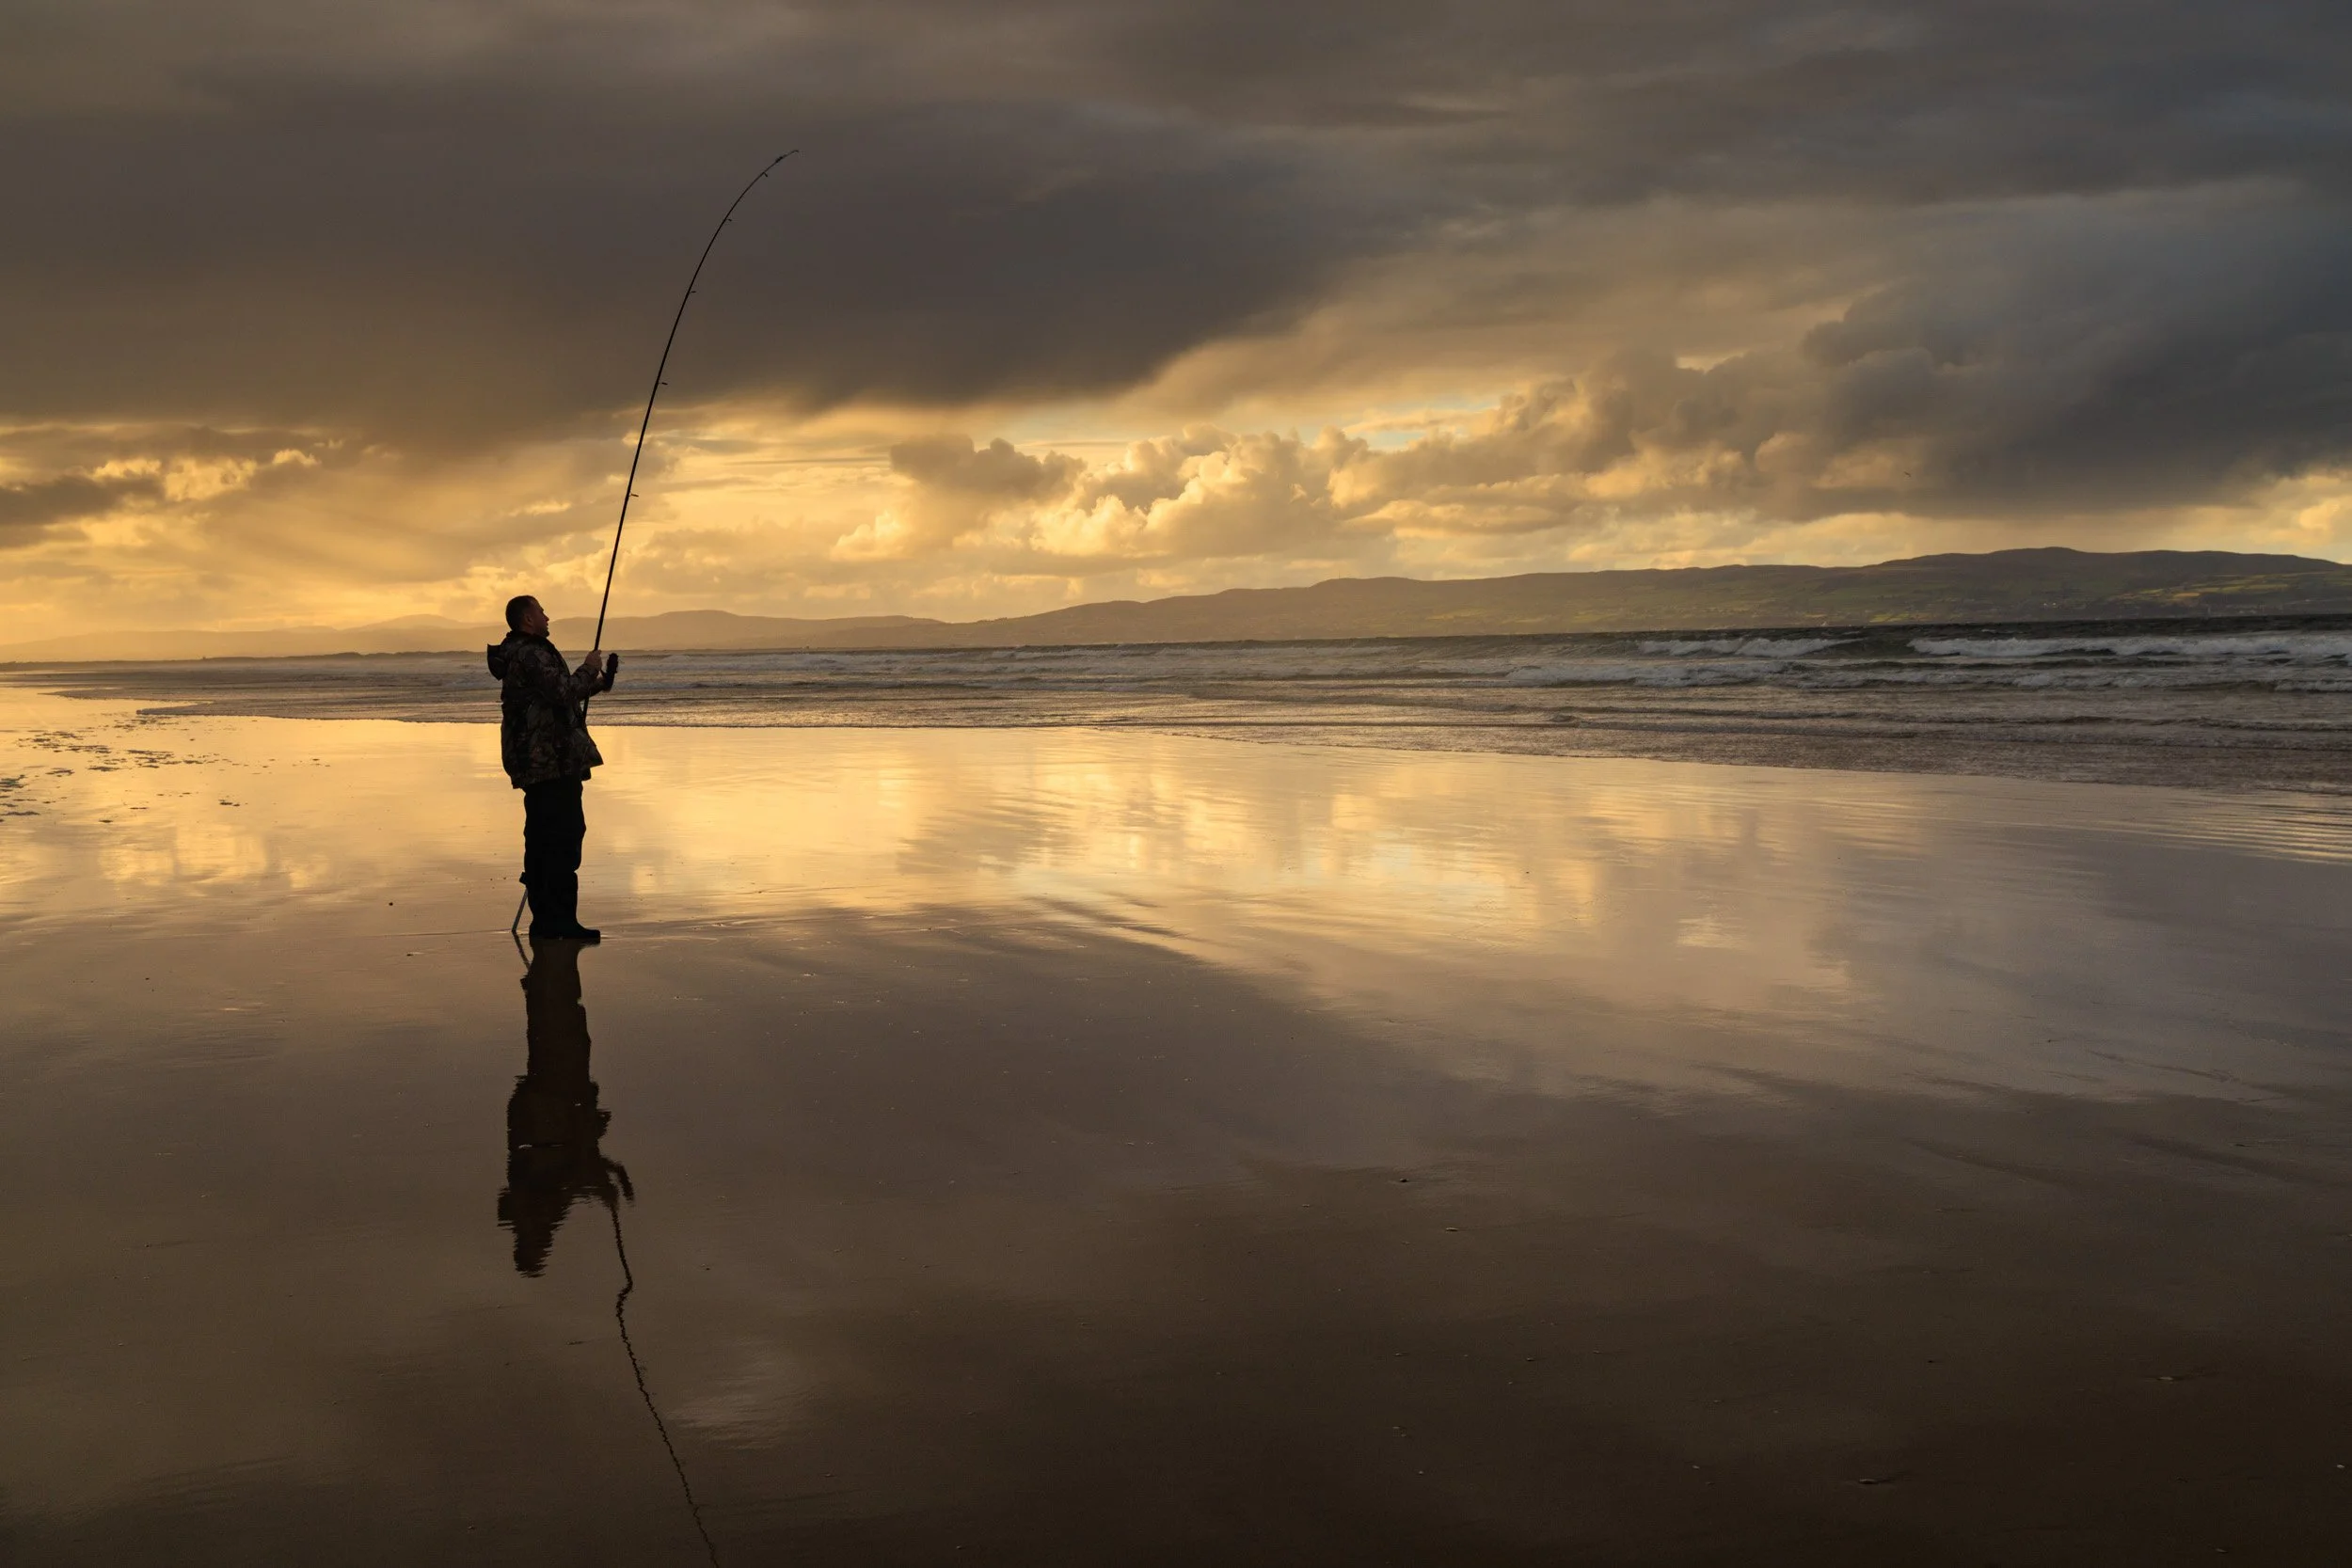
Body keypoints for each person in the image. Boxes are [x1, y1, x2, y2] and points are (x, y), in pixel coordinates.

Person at [498, 935, 631, 1275]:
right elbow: (568, 1176)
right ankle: (544, 982)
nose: (545, 1244)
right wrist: (603, 1181)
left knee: (563, 1030)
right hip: (553, 1113)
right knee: (565, 1032)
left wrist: (602, 1181)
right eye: (542, 1249)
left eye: (539, 1249)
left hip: (551, 1112)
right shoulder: (533, 1216)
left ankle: (544, 982)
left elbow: (566, 1176)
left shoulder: (531, 1215)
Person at [487, 595, 616, 941]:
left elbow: (557, 694)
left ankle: (549, 922)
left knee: (545, 839)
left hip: (543, 759)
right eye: (542, 611)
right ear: (527, 620)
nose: (548, 616)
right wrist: (589, 667)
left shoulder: (524, 652)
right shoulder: (531, 653)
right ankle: (557, 924)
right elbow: (562, 691)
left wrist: (598, 682)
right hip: (548, 760)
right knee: (562, 838)